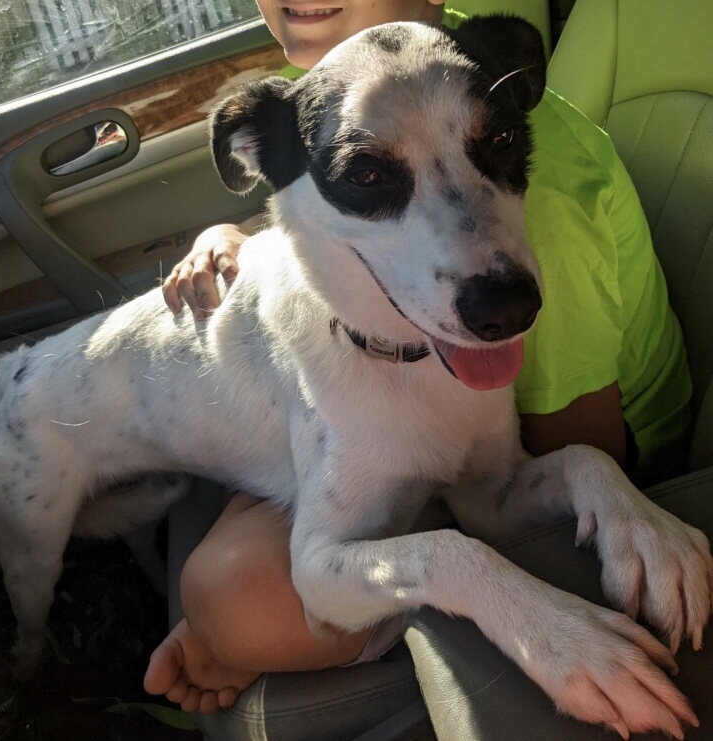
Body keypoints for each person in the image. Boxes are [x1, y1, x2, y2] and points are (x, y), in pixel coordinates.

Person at [143, 0, 692, 715]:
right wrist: (233, 237)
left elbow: (564, 467)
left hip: (570, 439)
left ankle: (240, 637)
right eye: (369, 175)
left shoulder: (539, 210)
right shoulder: (348, 79)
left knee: (230, 597)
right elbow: (322, 216)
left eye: (492, 144)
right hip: (390, 408)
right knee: (222, 571)